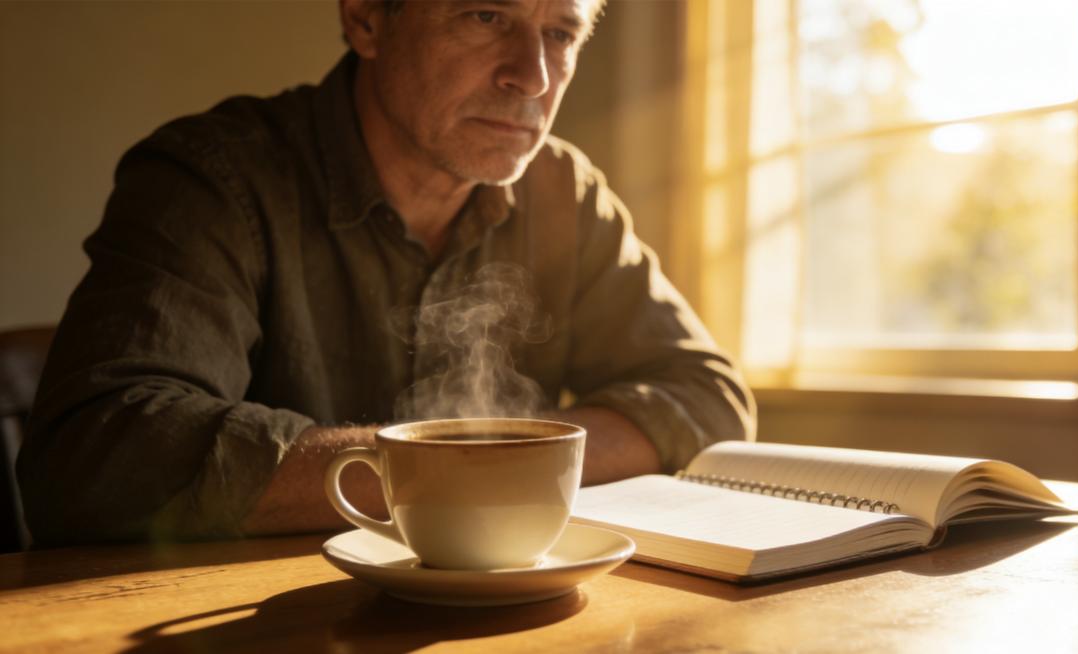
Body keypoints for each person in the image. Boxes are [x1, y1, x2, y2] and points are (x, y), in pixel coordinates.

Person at [17, 0, 755, 546]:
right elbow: (99, 455)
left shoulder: (565, 190)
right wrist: (467, 469)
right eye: (486, 16)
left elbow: (708, 399)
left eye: (560, 33)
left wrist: (486, 463)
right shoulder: (215, 179)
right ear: (366, 17)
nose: (531, 77)